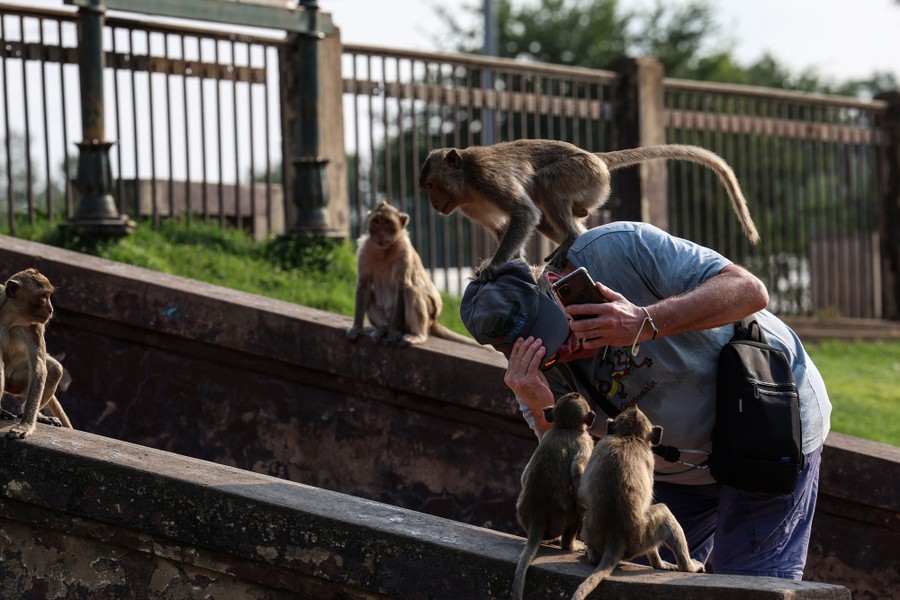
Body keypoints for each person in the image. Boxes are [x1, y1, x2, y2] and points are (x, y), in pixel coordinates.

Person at [459, 221, 831, 580]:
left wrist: (645, 320)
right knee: (640, 580)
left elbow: (748, 290)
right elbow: (570, 483)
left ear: (554, 284)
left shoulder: (618, 249)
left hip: (768, 420)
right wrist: (546, 410)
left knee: (749, 586)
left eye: (558, 330)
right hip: (667, 471)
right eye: (549, 352)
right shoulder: (533, 376)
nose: (566, 348)